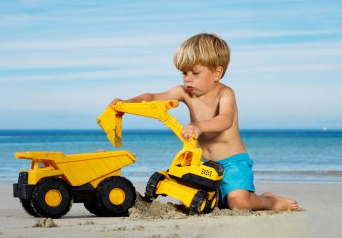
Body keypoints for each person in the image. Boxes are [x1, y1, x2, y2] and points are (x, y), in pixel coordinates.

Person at [110, 33, 298, 211]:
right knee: (187, 204)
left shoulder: (225, 93)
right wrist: (127, 103)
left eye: (195, 72)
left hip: (232, 163)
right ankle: (217, 198)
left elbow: (225, 119)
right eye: (184, 73)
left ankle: (270, 201)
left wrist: (199, 126)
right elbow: (152, 97)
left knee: (238, 203)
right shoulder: (184, 92)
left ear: (217, 73)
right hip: (202, 164)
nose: (188, 79)